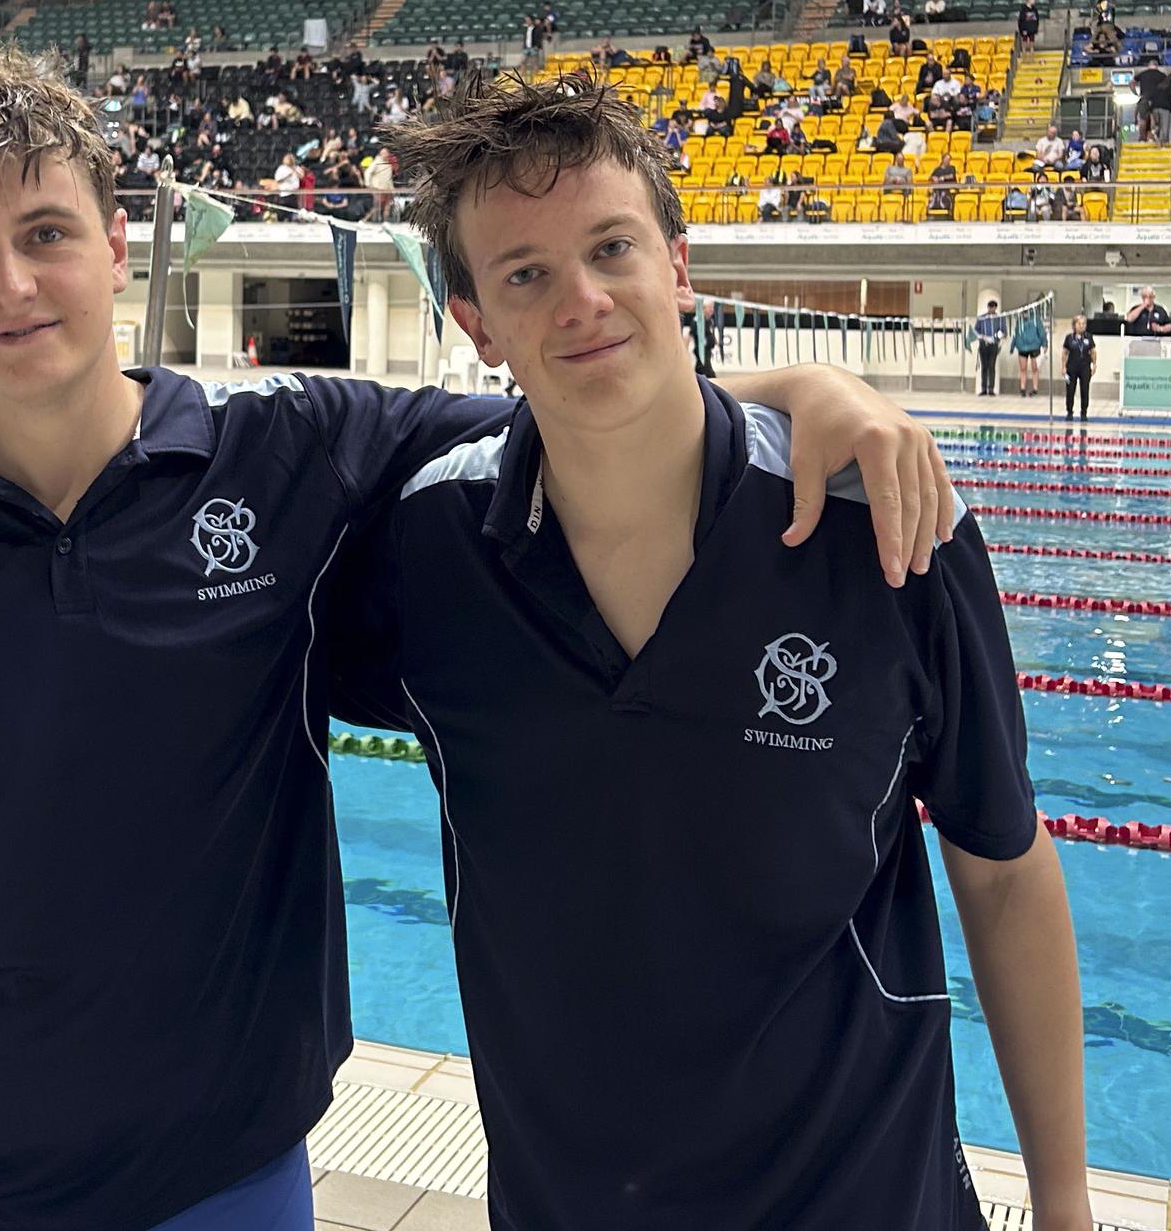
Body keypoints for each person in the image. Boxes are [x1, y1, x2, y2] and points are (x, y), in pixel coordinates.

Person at [0, 44, 962, 1231]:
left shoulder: (289, 447)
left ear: (115, 246)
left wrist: (810, 390)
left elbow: (585, 395)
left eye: (45, 234)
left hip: (230, 1172)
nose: (11, 285)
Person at [331, 69, 1090, 1231]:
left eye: (613, 249)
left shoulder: (887, 529)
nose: (583, 301)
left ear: (677, 266)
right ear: (476, 324)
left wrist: (1066, 1205)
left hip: (867, 1203)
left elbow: (1001, 870)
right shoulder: (427, 551)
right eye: (527, 275)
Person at [973, 298, 1007, 394]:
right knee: (984, 367)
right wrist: (981, 336)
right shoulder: (982, 318)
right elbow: (976, 330)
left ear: (996, 308)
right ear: (988, 307)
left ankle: (991, 388)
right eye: (990, 307)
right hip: (983, 344)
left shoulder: (999, 318)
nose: (991, 310)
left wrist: (996, 337)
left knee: (991, 366)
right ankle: (983, 389)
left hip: (994, 344)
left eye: (993, 308)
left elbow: (1003, 331)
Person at [1011, 309, 1046, 396]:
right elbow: (1016, 333)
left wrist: (1044, 344)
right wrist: (1012, 346)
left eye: (1025, 312)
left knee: (1035, 368)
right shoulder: (1019, 321)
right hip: (1022, 347)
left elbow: (1042, 332)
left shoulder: (1036, 319)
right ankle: (1022, 388)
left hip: (1035, 346)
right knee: (1023, 368)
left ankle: (1035, 389)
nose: (1024, 314)